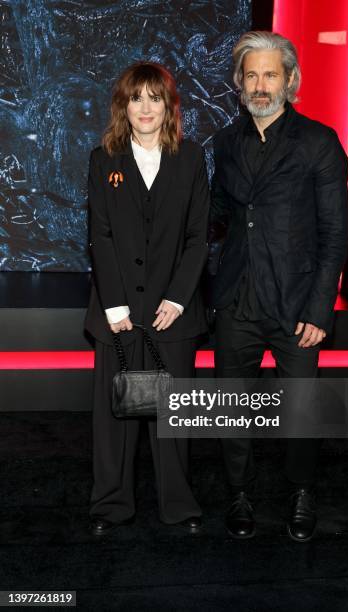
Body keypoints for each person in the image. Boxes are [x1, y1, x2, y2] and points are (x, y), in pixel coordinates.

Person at [209, 31, 348, 541]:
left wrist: (320, 308)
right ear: (239, 82)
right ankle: (239, 492)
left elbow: (335, 236)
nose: (260, 85)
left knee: (300, 407)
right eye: (251, 74)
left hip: (297, 307)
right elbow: (219, 215)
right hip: (237, 300)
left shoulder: (319, 142)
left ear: (290, 79)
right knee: (231, 406)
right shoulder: (225, 142)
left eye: (270, 74)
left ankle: (300, 492)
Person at [85, 61, 209, 536]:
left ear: (168, 106)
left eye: (154, 98)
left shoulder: (192, 158)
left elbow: (198, 237)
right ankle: (111, 505)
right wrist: (115, 305)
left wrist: (178, 298)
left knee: (173, 417)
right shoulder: (103, 159)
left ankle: (178, 504)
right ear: (124, 105)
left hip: (171, 316)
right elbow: (101, 236)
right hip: (116, 315)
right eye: (136, 98)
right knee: (115, 415)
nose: (145, 107)